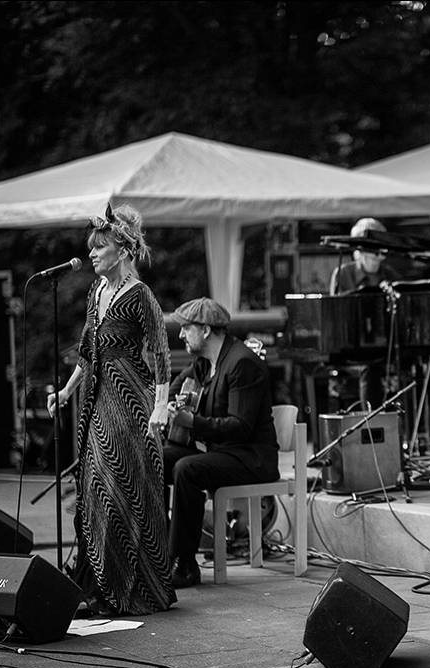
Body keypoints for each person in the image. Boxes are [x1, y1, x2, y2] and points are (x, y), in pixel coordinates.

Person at [47, 203, 175, 617]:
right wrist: (66, 392)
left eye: (99, 247)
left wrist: (160, 406)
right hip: (96, 399)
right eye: (91, 247)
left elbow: (160, 352)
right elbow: (88, 351)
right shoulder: (96, 292)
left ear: (121, 250)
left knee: (118, 485)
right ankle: (96, 584)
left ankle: (125, 588)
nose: (92, 254)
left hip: (130, 400)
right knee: (93, 488)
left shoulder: (141, 295)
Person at [163, 297, 279, 588]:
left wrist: (194, 423)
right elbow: (178, 387)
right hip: (221, 452)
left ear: (204, 330)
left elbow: (240, 428)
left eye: (186, 328)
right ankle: (159, 551)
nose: (180, 335)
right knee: (157, 458)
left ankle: (184, 564)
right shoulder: (205, 363)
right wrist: (172, 405)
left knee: (187, 470)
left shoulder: (242, 363)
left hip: (251, 458)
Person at [329, 217, 398, 294]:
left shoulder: (391, 274)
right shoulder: (343, 274)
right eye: (371, 244)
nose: (378, 249)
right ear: (359, 247)